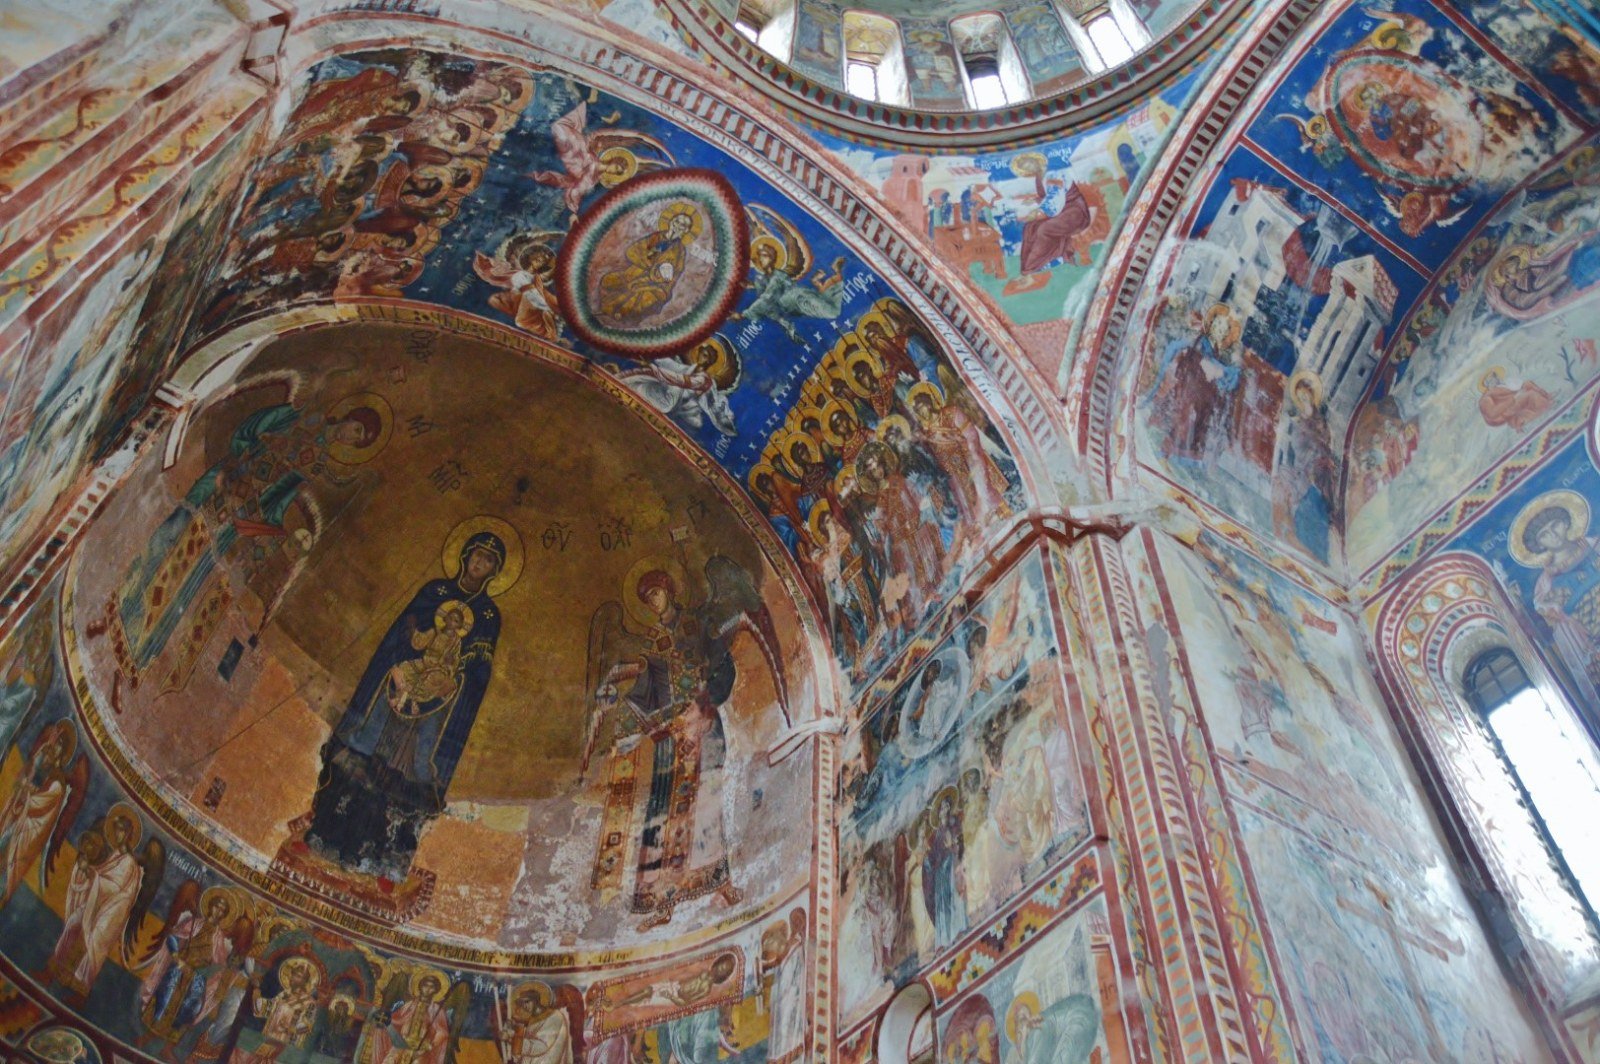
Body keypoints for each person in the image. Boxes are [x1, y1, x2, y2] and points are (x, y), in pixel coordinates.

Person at [306, 528, 511, 878]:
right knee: (373, 741)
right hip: (405, 679)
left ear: (495, 570)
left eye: (489, 561)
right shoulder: (435, 591)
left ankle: (388, 856)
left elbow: (478, 669)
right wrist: (405, 659)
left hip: (440, 693)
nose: (480, 563)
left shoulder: (488, 615)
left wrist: (453, 678)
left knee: (416, 753)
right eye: (477, 555)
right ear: (465, 555)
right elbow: (404, 634)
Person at [596, 205, 700, 322]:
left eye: (683, 226)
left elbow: (675, 273)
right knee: (608, 280)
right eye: (677, 221)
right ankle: (608, 312)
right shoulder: (655, 237)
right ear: (671, 221)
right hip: (634, 274)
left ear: (686, 231)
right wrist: (648, 262)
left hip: (656, 286)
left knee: (644, 297)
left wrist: (661, 273)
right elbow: (633, 251)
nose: (678, 226)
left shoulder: (679, 250)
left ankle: (617, 316)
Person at [499, 983, 571, 1064]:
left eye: (527, 1001)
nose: (524, 1005)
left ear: (536, 1000)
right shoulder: (532, 1020)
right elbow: (521, 1052)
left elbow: (542, 1047)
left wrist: (512, 1037)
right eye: (521, 1003)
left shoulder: (554, 1016)